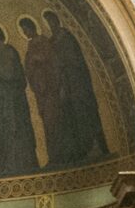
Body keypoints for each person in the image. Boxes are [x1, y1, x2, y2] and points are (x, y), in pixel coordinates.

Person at [42, 10, 107, 164]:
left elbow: (75, 59)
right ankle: (78, 151)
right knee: (69, 118)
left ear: (57, 21)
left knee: (84, 113)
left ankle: (94, 147)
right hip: (64, 87)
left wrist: (62, 64)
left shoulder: (67, 38)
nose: (50, 25)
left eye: (51, 21)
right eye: (47, 23)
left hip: (77, 83)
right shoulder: (51, 42)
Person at [0, 16, 39, 175]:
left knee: (13, 131)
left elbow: (10, 73)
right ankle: (1, 167)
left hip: (10, 100)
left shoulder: (8, 50)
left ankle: (18, 165)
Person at [19, 15, 62, 165]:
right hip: (40, 91)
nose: (25, 33)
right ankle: (54, 156)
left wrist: (37, 59)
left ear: (32, 28)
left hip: (49, 88)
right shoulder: (31, 45)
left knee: (54, 121)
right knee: (47, 123)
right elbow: (29, 67)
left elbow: (51, 60)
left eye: (26, 30)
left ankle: (59, 156)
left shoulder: (43, 41)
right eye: (23, 31)